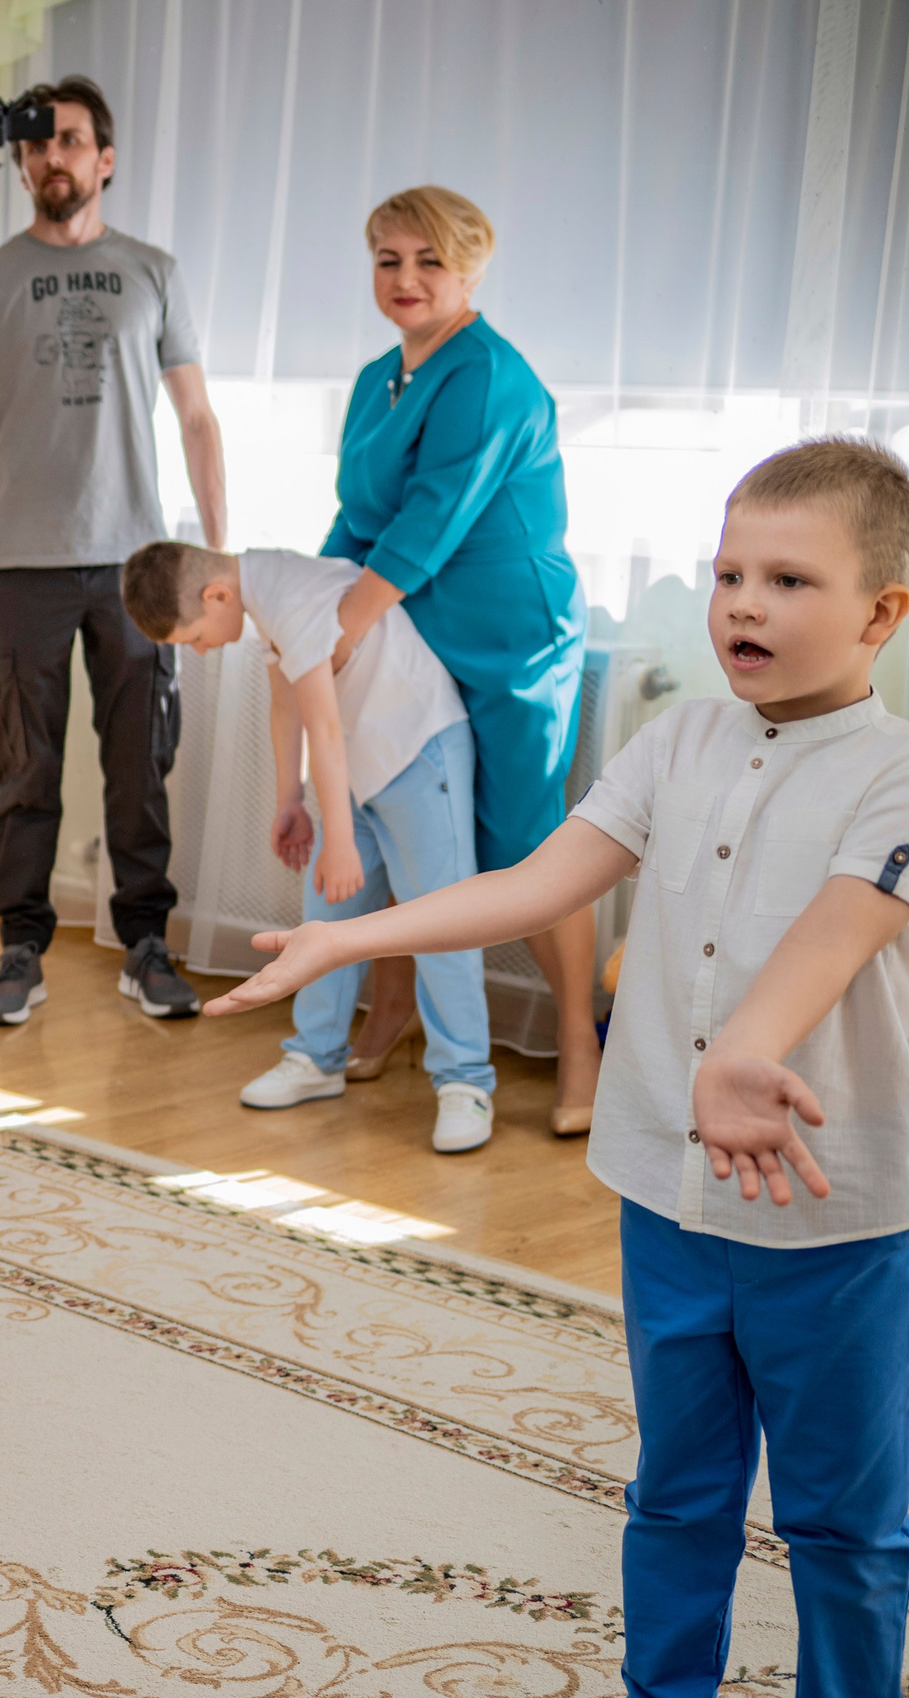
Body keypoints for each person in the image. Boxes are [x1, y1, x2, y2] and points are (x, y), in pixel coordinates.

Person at [206, 438, 909, 1698]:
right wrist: (350, 930)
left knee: (842, 1527)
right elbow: (537, 881)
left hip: (835, 1219)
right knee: (675, 1494)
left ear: (882, 611)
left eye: (790, 581)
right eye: (729, 571)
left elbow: (841, 924)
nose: (745, 602)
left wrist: (745, 1049)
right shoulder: (675, 742)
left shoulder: (900, 771)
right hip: (668, 1193)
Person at [0, 75, 227, 1027]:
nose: (54, 158)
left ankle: (148, 946)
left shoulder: (153, 270)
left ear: (104, 159)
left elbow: (197, 417)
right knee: (27, 769)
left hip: (137, 563)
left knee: (139, 762)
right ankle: (19, 951)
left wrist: (215, 551)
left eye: (72, 141)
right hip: (21, 561)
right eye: (38, 145)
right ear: (22, 162)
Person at [321, 186, 597, 1135]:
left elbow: (429, 523)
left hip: (511, 637)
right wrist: (307, 609)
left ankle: (580, 1049)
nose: (405, 280)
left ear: (472, 270)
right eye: (388, 260)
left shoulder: (486, 374)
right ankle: (393, 1009)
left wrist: (345, 625)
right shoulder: (375, 379)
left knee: (531, 844)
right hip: (418, 622)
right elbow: (358, 521)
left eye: (428, 261)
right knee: (403, 815)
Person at [123, 541, 494, 1152]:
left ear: (216, 597)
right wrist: (289, 801)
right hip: (358, 761)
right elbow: (284, 706)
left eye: (193, 637)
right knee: (328, 910)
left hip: (416, 752)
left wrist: (341, 840)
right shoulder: (264, 590)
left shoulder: (289, 595)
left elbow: (321, 725)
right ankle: (316, 1057)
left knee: (442, 920)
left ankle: (466, 1081)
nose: (200, 650)